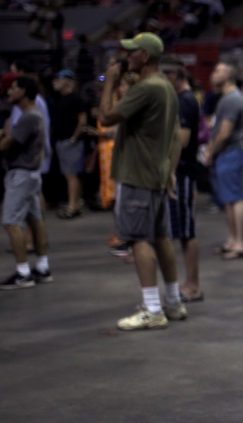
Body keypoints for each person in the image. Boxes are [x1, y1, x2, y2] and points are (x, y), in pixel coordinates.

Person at [97, 32, 186, 330]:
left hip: (138, 174)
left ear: (145, 56)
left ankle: (152, 309)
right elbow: (175, 135)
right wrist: (169, 170)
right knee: (161, 238)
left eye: (133, 52)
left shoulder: (147, 88)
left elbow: (107, 115)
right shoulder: (166, 88)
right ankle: (173, 303)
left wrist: (109, 80)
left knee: (138, 239)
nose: (128, 56)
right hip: (156, 173)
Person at [1, 76, 52, 289]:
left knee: (11, 222)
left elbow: (6, 146)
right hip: (31, 175)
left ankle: (23, 273)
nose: (8, 92)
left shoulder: (28, 117)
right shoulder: (32, 115)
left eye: (12, 88)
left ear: (22, 91)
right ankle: (42, 267)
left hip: (21, 175)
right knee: (35, 221)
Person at [161, 55, 203, 302]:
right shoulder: (181, 99)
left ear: (174, 76)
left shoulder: (185, 101)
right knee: (182, 229)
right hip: (179, 169)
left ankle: (193, 285)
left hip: (183, 170)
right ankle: (189, 283)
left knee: (187, 230)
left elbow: (182, 139)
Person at [206, 62, 243, 261]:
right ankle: (233, 239)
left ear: (228, 75)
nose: (213, 73)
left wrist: (210, 152)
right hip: (226, 154)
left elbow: (224, 132)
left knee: (235, 198)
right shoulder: (226, 98)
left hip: (231, 152)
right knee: (229, 200)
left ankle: (241, 242)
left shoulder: (232, 98)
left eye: (217, 70)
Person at [49, 69, 88, 219]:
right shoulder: (60, 99)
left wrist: (73, 138)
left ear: (67, 81)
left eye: (58, 79)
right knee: (70, 174)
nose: (55, 82)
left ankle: (73, 205)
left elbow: (82, 120)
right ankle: (76, 204)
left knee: (71, 174)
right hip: (63, 141)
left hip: (70, 142)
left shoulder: (75, 99)